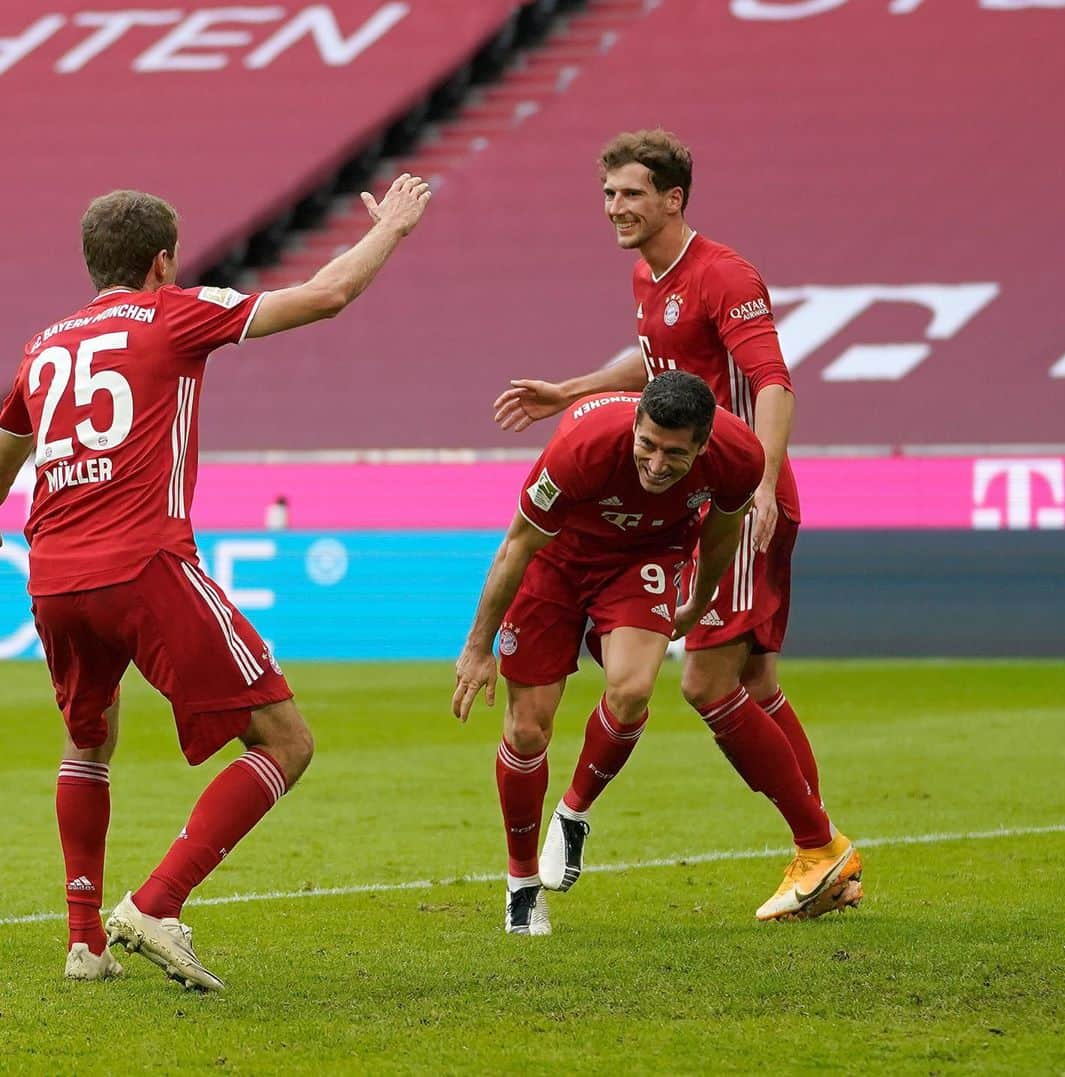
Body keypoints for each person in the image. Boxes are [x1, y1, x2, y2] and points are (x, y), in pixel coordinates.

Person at [0, 174, 431, 988]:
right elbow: (328, 292)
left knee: (88, 736)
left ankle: (84, 941)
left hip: (52, 573)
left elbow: (0, 470)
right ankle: (156, 902)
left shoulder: (43, 346)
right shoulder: (176, 312)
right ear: (164, 262)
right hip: (144, 561)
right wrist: (396, 227)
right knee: (284, 739)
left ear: (92, 262)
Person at [492, 129, 862, 923]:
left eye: (629, 194)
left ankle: (821, 846)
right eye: (607, 195)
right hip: (707, 494)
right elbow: (660, 362)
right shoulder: (648, 276)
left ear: (673, 199)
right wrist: (574, 389)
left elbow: (772, 380)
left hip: (735, 494)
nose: (614, 208)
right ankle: (823, 854)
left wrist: (760, 479)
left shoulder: (723, 275)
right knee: (754, 683)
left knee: (705, 680)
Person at [455, 371, 779, 934]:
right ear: (634, 424)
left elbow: (722, 533)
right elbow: (516, 546)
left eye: (675, 453)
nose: (656, 464)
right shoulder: (580, 447)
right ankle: (522, 884)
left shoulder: (738, 457)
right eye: (647, 445)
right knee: (528, 730)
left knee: (631, 691)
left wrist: (697, 600)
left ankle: (574, 812)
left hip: (643, 560)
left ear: (704, 445)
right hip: (554, 565)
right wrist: (477, 645)